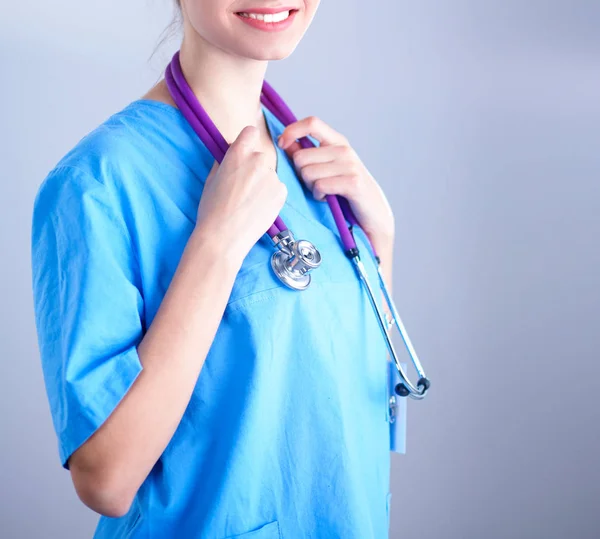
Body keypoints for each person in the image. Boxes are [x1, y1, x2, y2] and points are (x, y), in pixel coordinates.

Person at [30, 1, 398, 537]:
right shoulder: (97, 183)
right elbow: (104, 480)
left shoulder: (311, 161)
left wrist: (380, 237)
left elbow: (346, 400)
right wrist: (217, 242)